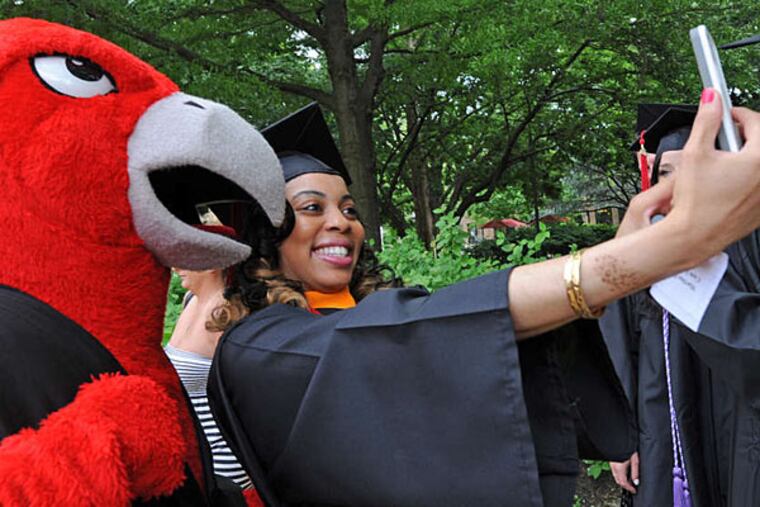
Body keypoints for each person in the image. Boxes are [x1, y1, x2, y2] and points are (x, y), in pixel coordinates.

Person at [207, 92, 760, 507]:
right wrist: (669, 246)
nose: (340, 223)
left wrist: (630, 247)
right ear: (265, 233)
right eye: (311, 208)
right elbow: (420, 335)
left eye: (349, 209)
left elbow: (441, 332)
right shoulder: (258, 351)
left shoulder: (374, 312)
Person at [602, 104, 760, 507]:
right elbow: (617, 350)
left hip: (741, 430)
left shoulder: (745, 245)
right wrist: (619, 440)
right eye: (666, 174)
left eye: (691, 171)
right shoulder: (635, 249)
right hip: (664, 430)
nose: (676, 187)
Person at [165, 223, 255, 495]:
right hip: (195, 457)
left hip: (224, 467)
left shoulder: (227, 314)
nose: (176, 264)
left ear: (213, 262)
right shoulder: (191, 300)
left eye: (186, 255)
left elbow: (248, 400)